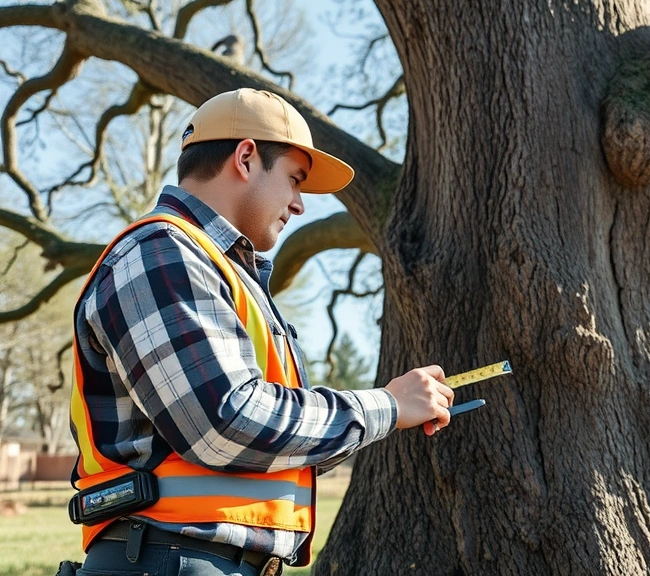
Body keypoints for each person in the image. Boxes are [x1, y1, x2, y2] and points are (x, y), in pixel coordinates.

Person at [68, 88, 455, 576]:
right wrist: (387, 404)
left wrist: (381, 415)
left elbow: (264, 446)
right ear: (246, 158)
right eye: (294, 180)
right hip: (168, 558)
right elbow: (226, 423)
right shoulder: (161, 255)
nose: (299, 205)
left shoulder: (215, 271)